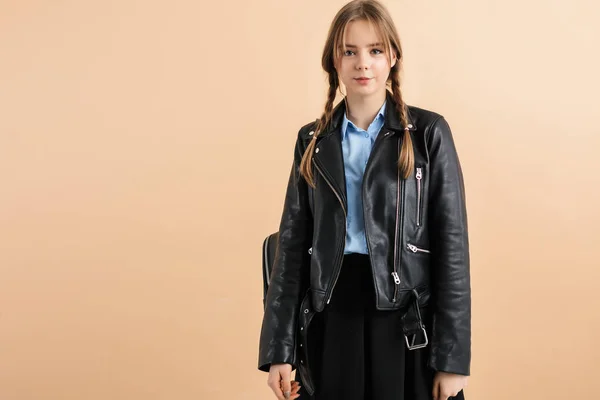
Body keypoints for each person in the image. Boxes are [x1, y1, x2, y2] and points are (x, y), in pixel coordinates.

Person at [257, 1, 471, 399]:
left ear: (393, 57)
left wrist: (452, 359)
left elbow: (452, 249)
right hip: (333, 316)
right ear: (333, 62)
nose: (363, 64)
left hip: (407, 322)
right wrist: (278, 352)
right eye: (349, 52)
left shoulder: (428, 134)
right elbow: (290, 250)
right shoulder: (313, 141)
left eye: (374, 51)